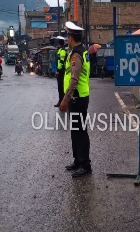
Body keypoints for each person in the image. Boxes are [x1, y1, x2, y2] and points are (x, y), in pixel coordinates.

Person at [59, 21, 92, 178]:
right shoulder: (79, 51)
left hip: (77, 98)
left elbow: (74, 79)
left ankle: (85, 163)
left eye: (68, 36)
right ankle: (78, 160)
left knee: (80, 131)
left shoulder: (76, 54)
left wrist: (65, 98)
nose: (67, 38)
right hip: (78, 97)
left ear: (71, 37)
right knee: (75, 130)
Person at [54, 36, 67, 107]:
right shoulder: (60, 50)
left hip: (62, 71)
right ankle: (61, 101)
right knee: (61, 87)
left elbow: (61, 62)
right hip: (61, 70)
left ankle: (61, 101)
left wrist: (58, 71)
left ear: (59, 44)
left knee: (61, 87)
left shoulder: (62, 51)